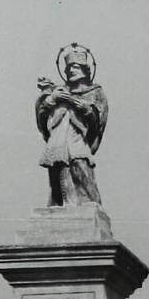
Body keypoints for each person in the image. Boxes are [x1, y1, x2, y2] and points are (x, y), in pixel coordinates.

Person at [36, 44, 108, 206]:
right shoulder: (58, 90)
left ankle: (90, 202)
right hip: (58, 139)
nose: (71, 71)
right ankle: (60, 204)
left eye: (75, 67)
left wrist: (81, 107)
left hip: (78, 137)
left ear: (84, 70)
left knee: (80, 165)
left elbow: (97, 121)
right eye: (68, 68)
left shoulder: (95, 92)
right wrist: (51, 99)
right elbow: (42, 114)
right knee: (57, 170)